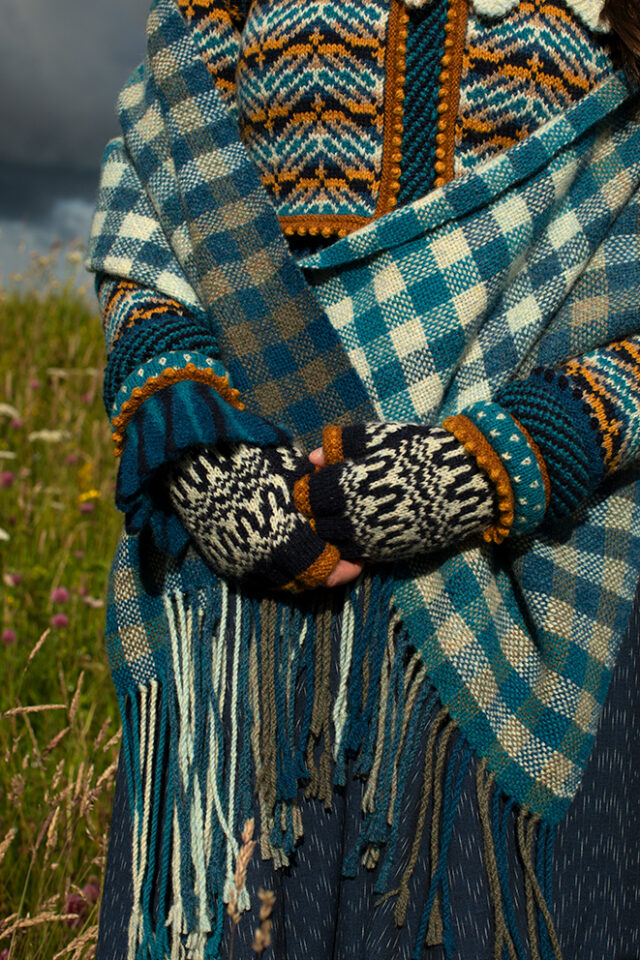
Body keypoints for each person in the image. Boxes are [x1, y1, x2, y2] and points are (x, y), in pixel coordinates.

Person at [90, 0, 640, 956]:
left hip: (540, 581)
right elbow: (159, 153)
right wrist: (194, 439)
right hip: (247, 613)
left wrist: (515, 452)